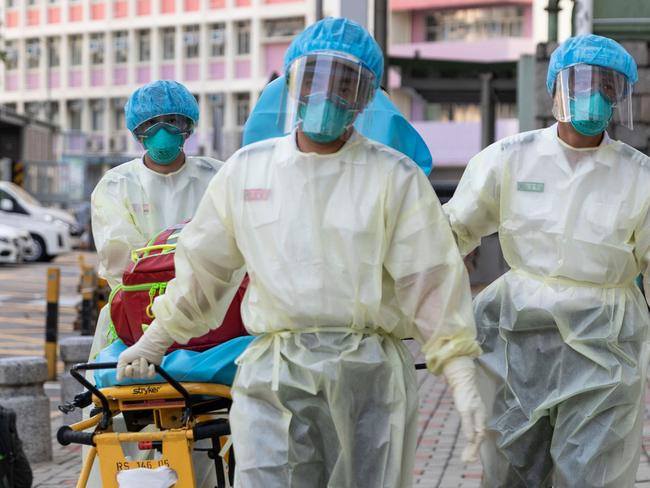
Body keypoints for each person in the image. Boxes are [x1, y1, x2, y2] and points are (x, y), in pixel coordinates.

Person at [115, 18, 486, 488]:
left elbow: (429, 280)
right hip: (274, 375)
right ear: (292, 81)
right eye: (315, 78)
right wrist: (155, 339)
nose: (327, 94)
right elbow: (204, 273)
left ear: (365, 95)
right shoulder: (247, 173)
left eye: (344, 83)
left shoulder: (395, 177)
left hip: (369, 379)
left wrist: (459, 371)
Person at [443, 34, 650, 487]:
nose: (594, 94)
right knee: (513, 469)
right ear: (556, 88)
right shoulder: (510, 159)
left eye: (607, 85)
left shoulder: (639, 176)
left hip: (606, 348)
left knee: (592, 473)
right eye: (582, 82)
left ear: (619, 96)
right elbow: (451, 232)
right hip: (519, 339)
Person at [87, 79, 223, 488]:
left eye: (173, 122)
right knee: (122, 434)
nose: (163, 133)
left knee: (207, 435)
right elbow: (121, 264)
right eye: (151, 124)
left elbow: (231, 251)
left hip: (209, 321)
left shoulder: (217, 177)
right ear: (135, 131)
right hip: (130, 323)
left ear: (190, 125)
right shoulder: (116, 185)